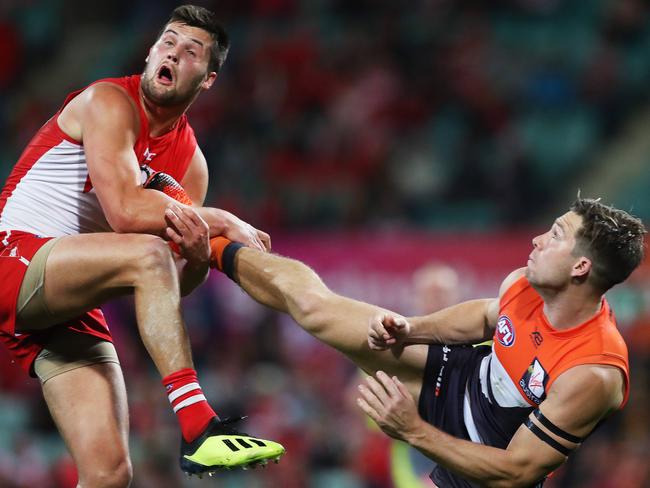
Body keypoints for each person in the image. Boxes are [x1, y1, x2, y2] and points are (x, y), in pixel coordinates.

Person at [0, 5, 284, 486]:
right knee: (146, 254)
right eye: (168, 41)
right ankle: (197, 428)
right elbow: (126, 213)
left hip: (67, 296)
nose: (174, 51)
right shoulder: (108, 101)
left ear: (208, 79)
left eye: (191, 50)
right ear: (152, 51)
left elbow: (173, 281)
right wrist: (223, 219)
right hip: (13, 256)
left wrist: (196, 254)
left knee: (109, 473)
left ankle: (195, 433)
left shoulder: (191, 164)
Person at [208, 198, 645, 487]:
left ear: (581, 267)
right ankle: (212, 248)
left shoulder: (593, 372)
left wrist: (412, 431)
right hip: (457, 383)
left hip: (486, 463)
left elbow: (517, 471)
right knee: (318, 310)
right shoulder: (528, 283)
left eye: (554, 235)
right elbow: (484, 317)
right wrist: (411, 328)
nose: (536, 240)